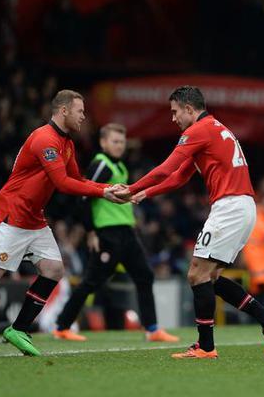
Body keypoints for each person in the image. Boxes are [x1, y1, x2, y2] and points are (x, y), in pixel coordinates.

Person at [116, 86, 264, 359]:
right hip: (242, 206)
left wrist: (130, 188)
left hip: (230, 207)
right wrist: (144, 194)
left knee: (196, 274)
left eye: (175, 112)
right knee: (210, 278)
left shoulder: (197, 131)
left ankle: (206, 347)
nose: (173, 118)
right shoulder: (214, 129)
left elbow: (166, 168)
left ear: (189, 108)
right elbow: (179, 176)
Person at [0, 90, 124, 357]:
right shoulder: (45, 139)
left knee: (54, 270)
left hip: (33, 218)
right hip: (12, 215)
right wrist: (103, 192)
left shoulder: (66, 142)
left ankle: (18, 329)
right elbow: (63, 183)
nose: (84, 116)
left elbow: (78, 179)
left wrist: (107, 189)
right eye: (80, 111)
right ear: (64, 111)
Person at [53, 123, 179, 342]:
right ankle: (62, 326)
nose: (119, 145)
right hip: (108, 234)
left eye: (122, 142)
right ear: (103, 143)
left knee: (145, 276)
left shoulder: (119, 165)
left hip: (126, 233)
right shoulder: (101, 164)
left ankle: (152, 329)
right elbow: (83, 196)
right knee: (91, 281)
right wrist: (91, 232)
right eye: (115, 141)